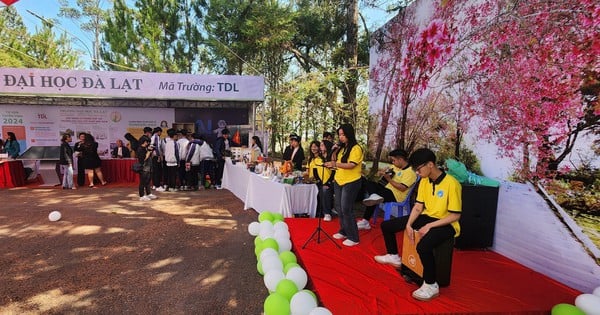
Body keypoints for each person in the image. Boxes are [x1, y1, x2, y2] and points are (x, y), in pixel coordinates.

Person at [374, 148, 462, 301]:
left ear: (430, 164)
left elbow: (455, 215)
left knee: (423, 246)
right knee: (387, 226)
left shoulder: (452, 184)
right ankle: (394, 256)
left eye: (418, 169)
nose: (416, 173)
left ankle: (431, 284)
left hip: (447, 223)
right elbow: (418, 207)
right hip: (428, 216)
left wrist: (430, 226)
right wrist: (409, 224)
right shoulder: (424, 181)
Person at [357, 149, 418, 230]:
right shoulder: (395, 166)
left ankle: (365, 221)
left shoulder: (410, 172)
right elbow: (387, 173)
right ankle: (373, 196)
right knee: (369, 183)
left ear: (400, 159)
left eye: (394, 160)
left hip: (396, 195)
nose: (392, 162)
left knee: (374, 197)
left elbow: (402, 188)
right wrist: (382, 172)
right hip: (386, 189)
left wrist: (389, 179)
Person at [323, 124, 363, 247]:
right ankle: (344, 231)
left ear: (349, 134)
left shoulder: (356, 148)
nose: (340, 137)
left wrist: (335, 163)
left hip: (351, 181)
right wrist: (334, 150)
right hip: (339, 180)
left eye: (343, 135)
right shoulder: (343, 148)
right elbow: (336, 160)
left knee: (347, 208)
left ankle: (353, 237)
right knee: (339, 207)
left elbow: (351, 165)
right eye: (339, 135)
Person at [307, 140, 335, 221]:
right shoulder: (313, 159)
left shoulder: (329, 158)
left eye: (320, 145)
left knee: (324, 190)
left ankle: (327, 213)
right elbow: (315, 171)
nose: (314, 148)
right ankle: (315, 212)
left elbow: (333, 172)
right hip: (319, 182)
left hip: (330, 182)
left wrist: (328, 183)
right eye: (312, 146)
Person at [136, 136, 157, 201]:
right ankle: (141, 195)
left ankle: (148, 193)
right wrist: (148, 151)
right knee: (143, 182)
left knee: (148, 181)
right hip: (143, 168)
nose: (148, 143)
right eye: (147, 142)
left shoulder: (145, 148)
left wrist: (151, 151)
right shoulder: (140, 149)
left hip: (149, 167)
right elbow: (144, 159)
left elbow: (151, 156)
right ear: (144, 142)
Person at [150, 127, 164, 191]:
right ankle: (157, 185)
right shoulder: (156, 137)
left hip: (153, 156)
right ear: (158, 132)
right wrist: (159, 156)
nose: (161, 133)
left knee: (154, 171)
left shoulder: (152, 137)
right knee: (157, 171)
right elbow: (157, 147)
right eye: (160, 132)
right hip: (156, 156)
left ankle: (154, 185)